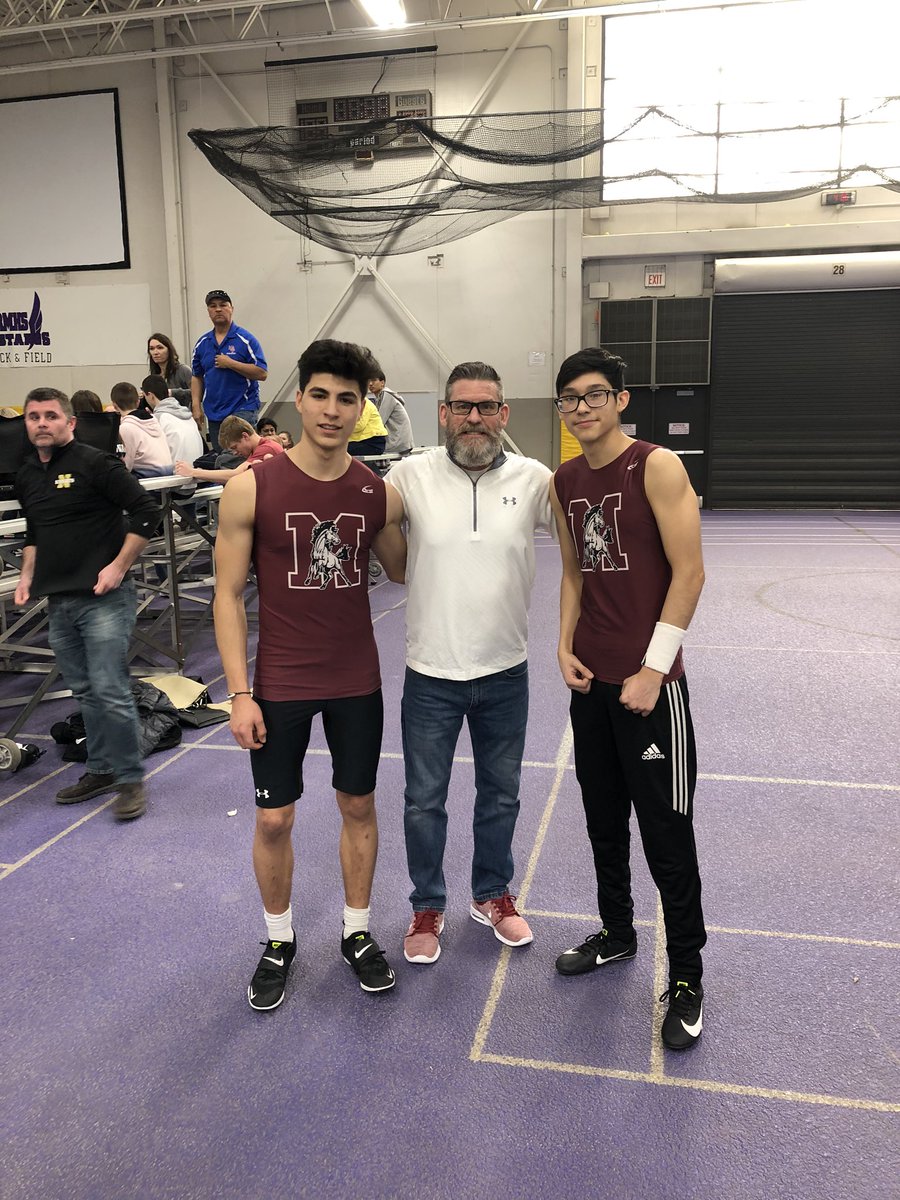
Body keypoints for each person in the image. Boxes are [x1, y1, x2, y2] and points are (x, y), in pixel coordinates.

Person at [213, 338, 407, 1011]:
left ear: (363, 407)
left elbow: (405, 566)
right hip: (281, 682)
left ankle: (356, 932)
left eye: (347, 399)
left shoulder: (372, 490)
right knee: (274, 819)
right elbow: (227, 596)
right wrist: (239, 693)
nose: (331, 410)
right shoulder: (250, 487)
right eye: (320, 395)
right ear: (299, 400)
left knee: (358, 805)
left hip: (356, 677)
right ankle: (278, 940)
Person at [549, 346, 707, 1052]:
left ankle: (687, 979)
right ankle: (617, 932)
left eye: (593, 395)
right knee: (603, 822)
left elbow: (690, 572)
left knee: (667, 838)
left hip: (651, 690)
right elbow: (575, 575)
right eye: (569, 399)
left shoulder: (656, 466)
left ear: (620, 400)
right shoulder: (564, 480)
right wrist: (563, 645)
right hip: (593, 685)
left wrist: (651, 667)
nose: (581, 408)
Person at [387, 361, 552, 965]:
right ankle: (427, 903)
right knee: (423, 799)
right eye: (463, 407)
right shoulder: (410, 475)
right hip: (431, 673)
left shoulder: (535, 478)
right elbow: (348, 506)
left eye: (486, 407)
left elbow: (589, 524)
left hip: (506, 670)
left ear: (504, 414)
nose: (474, 418)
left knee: (500, 794)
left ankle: (492, 895)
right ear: (444, 414)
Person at [14, 388, 160, 820]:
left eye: (51, 416)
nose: (41, 423)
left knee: (110, 689)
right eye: (33, 416)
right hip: (60, 602)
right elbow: (35, 532)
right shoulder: (27, 474)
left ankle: (130, 779)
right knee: (85, 692)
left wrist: (117, 566)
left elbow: (147, 511)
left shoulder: (96, 463)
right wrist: (26, 576)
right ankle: (100, 769)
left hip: (105, 601)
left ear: (70, 423)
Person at [191, 290, 268, 450]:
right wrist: (196, 406)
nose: (218, 309)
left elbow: (262, 373)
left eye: (223, 305)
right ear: (208, 311)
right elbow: (196, 376)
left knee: (241, 458)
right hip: (214, 412)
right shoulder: (203, 343)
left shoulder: (245, 339)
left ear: (231, 308)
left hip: (242, 409)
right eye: (213, 306)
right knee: (222, 460)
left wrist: (231, 363)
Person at [174, 415, 282, 485]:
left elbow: (234, 475)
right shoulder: (258, 449)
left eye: (235, 447)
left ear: (245, 436)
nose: (235, 453)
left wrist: (193, 472)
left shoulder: (266, 449)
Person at [109, 382, 172, 478]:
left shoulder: (126, 428)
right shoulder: (153, 419)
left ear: (115, 406)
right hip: (168, 472)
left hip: (148, 476)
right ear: (138, 402)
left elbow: (127, 465)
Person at [141, 376, 204, 467]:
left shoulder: (160, 418)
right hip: (196, 471)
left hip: (176, 474)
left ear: (150, 395)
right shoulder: (187, 414)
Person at [369, 367, 413, 456]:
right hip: (400, 443)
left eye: (374, 381)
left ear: (382, 383)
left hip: (397, 443)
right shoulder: (380, 398)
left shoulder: (386, 395)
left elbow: (379, 422)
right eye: (368, 381)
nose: (370, 384)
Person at [147, 333, 193, 408]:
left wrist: (172, 393)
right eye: (151, 349)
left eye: (160, 348)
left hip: (185, 416)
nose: (155, 352)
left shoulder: (183, 370)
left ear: (169, 350)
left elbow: (198, 393)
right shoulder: (154, 376)